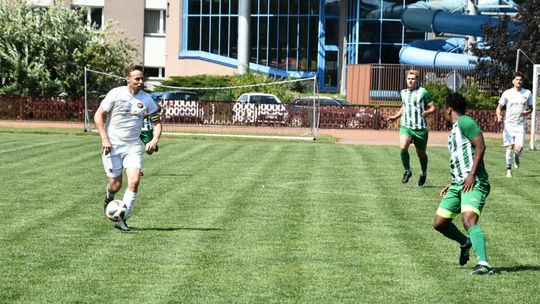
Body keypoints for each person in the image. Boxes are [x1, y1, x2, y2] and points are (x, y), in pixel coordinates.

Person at [94, 64, 162, 231]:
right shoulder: (116, 94)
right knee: (115, 185)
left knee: (134, 180)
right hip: (112, 145)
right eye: (137, 79)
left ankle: (122, 218)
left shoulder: (147, 99)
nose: (140, 81)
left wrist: (154, 140)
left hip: (133, 146)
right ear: (128, 79)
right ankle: (109, 196)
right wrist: (105, 139)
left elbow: (157, 122)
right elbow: (98, 115)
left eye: (142, 78)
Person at [433, 92, 492, 275]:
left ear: (448, 109)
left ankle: (483, 263)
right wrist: (452, 183)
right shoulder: (454, 130)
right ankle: (465, 242)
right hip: (458, 184)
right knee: (439, 223)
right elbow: (461, 159)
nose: (443, 113)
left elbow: (480, 145)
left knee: (468, 219)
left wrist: (472, 175)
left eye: (443, 109)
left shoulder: (466, 122)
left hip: (474, 182)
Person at [388, 69, 436, 186]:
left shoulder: (423, 92)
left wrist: (427, 112)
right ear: (406, 80)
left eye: (413, 79)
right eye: (409, 79)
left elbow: (433, 107)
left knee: (421, 154)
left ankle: (423, 172)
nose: (410, 81)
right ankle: (407, 171)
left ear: (417, 80)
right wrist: (395, 117)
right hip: (406, 126)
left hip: (420, 129)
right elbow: (404, 107)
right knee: (403, 146)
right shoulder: (403, 92)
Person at [496, 71, 533, 177]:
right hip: (508, 124)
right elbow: (499, 108)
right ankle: (508, 170)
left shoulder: (527, 93)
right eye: (517, 79)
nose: (519, 81)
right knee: (509, 147)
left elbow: (531, 108)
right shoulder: (507, 93)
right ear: (513, 81)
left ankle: (517, 156)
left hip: (520, 125)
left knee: (518, 149)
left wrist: (527, 112)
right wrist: (499, 116)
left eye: (520, 79)